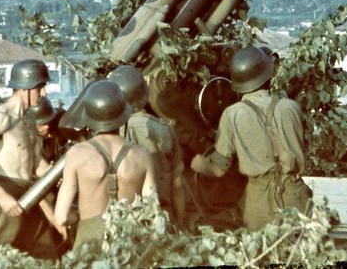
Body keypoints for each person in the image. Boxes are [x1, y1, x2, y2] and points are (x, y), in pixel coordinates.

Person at [190, 45, 312, 231]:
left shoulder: (233, 114)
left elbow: (218, 170)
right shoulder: (291, 108)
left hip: (259, 206)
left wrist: (199, 165)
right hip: (296, 199)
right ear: (268, 76)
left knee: (263, 255)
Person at [0, 58, 66, 258]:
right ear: (25, 88)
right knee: (0, 258)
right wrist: (2, 196)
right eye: (40, 88)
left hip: (31, 195)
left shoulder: (28, 120)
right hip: (6, 196)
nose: (44, 93)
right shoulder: (2, 117)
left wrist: (64, 172)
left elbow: (38, 166)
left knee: (46, 255)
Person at [54, 80, 157, 252]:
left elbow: (60, 217)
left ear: (88, 118)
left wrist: (81, 216)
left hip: (90, 244)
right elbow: (154, 212)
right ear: (123, 115)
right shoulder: (142, 154)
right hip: (131, 243)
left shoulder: (76, 154)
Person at [107, 64, 186, 224]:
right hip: (161, 217)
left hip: (125, 220)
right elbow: (177, 185)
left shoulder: (110, 135)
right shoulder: (165, 130)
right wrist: (179, 222)